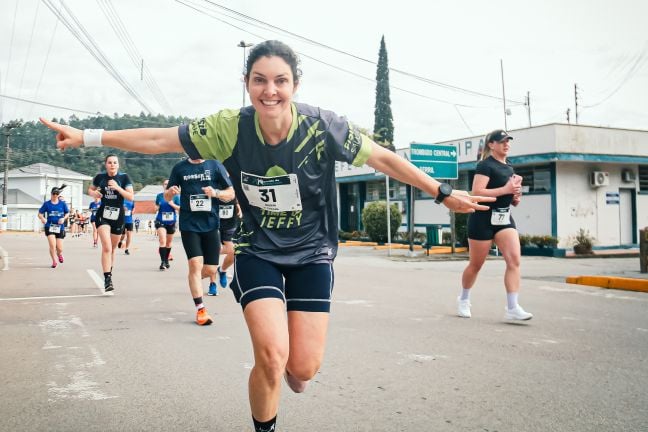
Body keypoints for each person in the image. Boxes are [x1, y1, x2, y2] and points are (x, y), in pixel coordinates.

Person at [40, 39, 492, 432]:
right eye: (259, 80)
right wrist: (87, 137)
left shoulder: (323, 127)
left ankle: (294, 372)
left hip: (313, 253)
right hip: (257, 251)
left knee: (302, 368)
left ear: (295, 85)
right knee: (272, 357)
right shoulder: (230, 128)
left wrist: (441, 192)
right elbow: (161, 140)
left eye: (279, 81)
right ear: (247, 82)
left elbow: (383, 160)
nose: (269, 90)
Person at [457, 129, 533, 321]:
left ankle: (512, 307)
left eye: (508, 141)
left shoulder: (509, 166)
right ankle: (464, 299)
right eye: (502, 141)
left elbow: (506, 195)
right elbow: (477, 192)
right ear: (491, 144)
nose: (506, 144)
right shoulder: (485, 165)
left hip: (504, 219)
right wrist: (506, 189)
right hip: (482, 218)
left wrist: (514, 197)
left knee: (514, 260)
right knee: (476, 265)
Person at [165, 157, 235, 324]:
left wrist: (216, 193)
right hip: (189, 224)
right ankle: (201, 310)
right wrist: (171, 192)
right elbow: (166, 195)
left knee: (210, 270)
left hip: (211, 224)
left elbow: (231, 192)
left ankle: (193, 278)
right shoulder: (180, 167)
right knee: (195, 265)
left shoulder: (214, 165)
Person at [89, 154, 134, 293]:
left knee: (113, 249)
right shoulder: (100, 177)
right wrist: (95, 194)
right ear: (106, 164)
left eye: (115, 162)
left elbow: (131, 197)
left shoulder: (124, 178)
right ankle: (107, 278)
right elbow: (90, 190)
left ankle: (109, 271)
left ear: (118, 165)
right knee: (107, 247)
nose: (112, 165)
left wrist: (118, 188)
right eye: (110, 162)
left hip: (118, 215)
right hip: (103, 214)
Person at [208, 198, 242, 296]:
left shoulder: (233, 190)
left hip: (230, 225)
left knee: (233, 251)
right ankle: (212, 284)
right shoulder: (213, 188)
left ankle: (222, 270)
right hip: (214, 225)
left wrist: (239, 209)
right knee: (214, 252)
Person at [38, 186, 70, 268]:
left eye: (57, 194)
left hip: (60, 227)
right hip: (49, 226)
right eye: (54, 194)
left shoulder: (62, 204)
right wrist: (42, 218)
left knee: (59, 248)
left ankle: (59, 254)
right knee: (52, 245)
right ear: (51, 194)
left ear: (58, 195)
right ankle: (54, 261)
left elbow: (67, 213)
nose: (55, 195)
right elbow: (40, 213)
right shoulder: (46, 204)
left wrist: (63, 218)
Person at [154, 179, 180, 270]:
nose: (167, 185)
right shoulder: (159, 196)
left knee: (168, 243)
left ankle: (166, 259)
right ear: (163, 186)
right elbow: (156, 207)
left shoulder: (176, 196)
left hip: (171, 222)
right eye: (165, 184)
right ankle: (163, 262)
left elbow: (180, 210)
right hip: (160, 221)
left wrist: (172, 204)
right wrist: (156, 208)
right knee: (162, 241)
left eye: (168, 184)